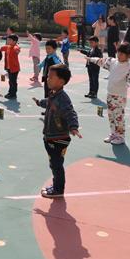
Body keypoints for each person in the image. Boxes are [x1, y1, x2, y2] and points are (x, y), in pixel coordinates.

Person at [32, 64, 81, 198]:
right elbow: (48, 102)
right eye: (48, 76)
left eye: (51, 77)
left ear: (61, 81)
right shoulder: (54, 94)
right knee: (54, 163)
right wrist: (39, 102)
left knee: (56, 165)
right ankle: (56, 186)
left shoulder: (63, 98)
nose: (47, 79)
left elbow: (70, 113)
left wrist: (73, 127)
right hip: (51, 136)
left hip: (59, 138)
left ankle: (58, 190)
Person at [86, 43, 130, 145]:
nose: (119, 55)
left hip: (120, 97)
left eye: (122, 54)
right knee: (111, 116)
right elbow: (101, 61)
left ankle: (120, 137)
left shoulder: (129, 68)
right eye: (118, 53)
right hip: (110, 94)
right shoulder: (112, 62)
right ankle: (113, 134)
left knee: (119, 117)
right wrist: (90, 59)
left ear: (128, 56)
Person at [0, 34, 21, 99]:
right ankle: (10, 92)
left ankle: (13, 94)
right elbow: (2, 48)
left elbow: (17, 49)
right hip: (9, 68)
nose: (8, 41)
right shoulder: (8, 47)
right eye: (8, 39)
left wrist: (17, 50)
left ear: (14, 41)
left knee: (13, 82)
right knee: (10, 81)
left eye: (9, 40)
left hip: (14, 68)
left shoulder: (15, 47)